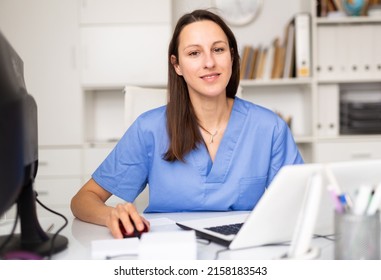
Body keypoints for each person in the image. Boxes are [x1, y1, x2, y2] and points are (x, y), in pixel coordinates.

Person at [71, 9, 304, 239]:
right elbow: (83, 199)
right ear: (177, 65)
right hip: (168, 252)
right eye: (194, 53)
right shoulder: (149, 129)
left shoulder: (269, 127)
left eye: (218, 49)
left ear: (231, 56)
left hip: (243, 251)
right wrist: (112, 215)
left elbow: (300, 201)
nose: (209, 62)